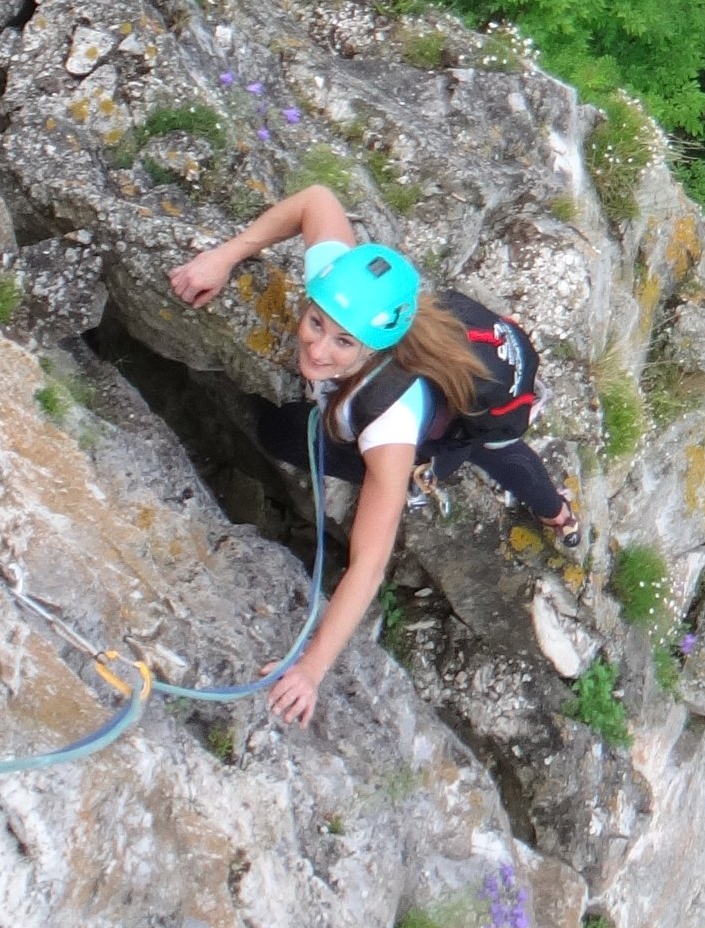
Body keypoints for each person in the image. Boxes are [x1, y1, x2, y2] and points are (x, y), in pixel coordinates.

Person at [169, 184, 579, 726]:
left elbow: (369, 561)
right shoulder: (350, 293)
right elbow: (316, 200)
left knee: (499, 454)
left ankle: (557, 513)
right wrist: (226, 255)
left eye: (343, 343)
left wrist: (311, 669)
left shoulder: (389, 425)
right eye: (316, 324)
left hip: (447, 431)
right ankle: (556, 510)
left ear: (376, 348)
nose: (317, 350)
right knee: (283, 429)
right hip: (418, 390)